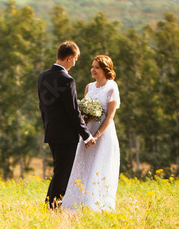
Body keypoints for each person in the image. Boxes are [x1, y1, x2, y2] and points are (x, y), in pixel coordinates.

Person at [37, 41, 95, 209]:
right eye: (75, 59)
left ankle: (52, 206)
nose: (74, 63)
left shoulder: (43, 76)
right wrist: (86, 135)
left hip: (51, 132)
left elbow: (43, 106)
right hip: (65, 135)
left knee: (59, 172)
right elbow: (73, 111)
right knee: (63, 174)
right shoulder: (67, 79)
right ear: (69, 58)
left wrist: (47, 126)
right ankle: (52, 208)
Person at [63, 55, 121, 212]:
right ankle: (75, 205)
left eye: (96, 67)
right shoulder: (89, 87)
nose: (92, 69)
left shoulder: (112, 87)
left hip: (103, 134)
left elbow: (109, 117)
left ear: (105, 70)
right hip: (87, 133)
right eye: (92, 66)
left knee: (99, 166)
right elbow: (83, 111)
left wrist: (96, 136)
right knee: (83, 166)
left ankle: (96, 206)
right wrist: (84, 127)